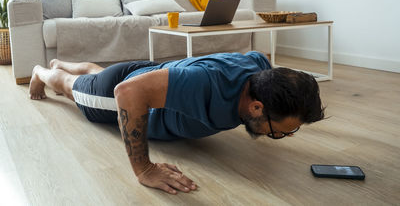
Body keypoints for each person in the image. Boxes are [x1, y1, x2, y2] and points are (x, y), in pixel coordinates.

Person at [29, 51, 325, 195]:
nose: (282, 135)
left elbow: (259, 56)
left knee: (95, 75)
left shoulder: (260, 71)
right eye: (278, 132)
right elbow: (126, 92)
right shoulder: (205, 84)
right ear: (256, 106)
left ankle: (60, 61)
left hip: (154, 74)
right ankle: (43, 71)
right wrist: (144, 168)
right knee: (72, 88)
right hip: (120, 92)